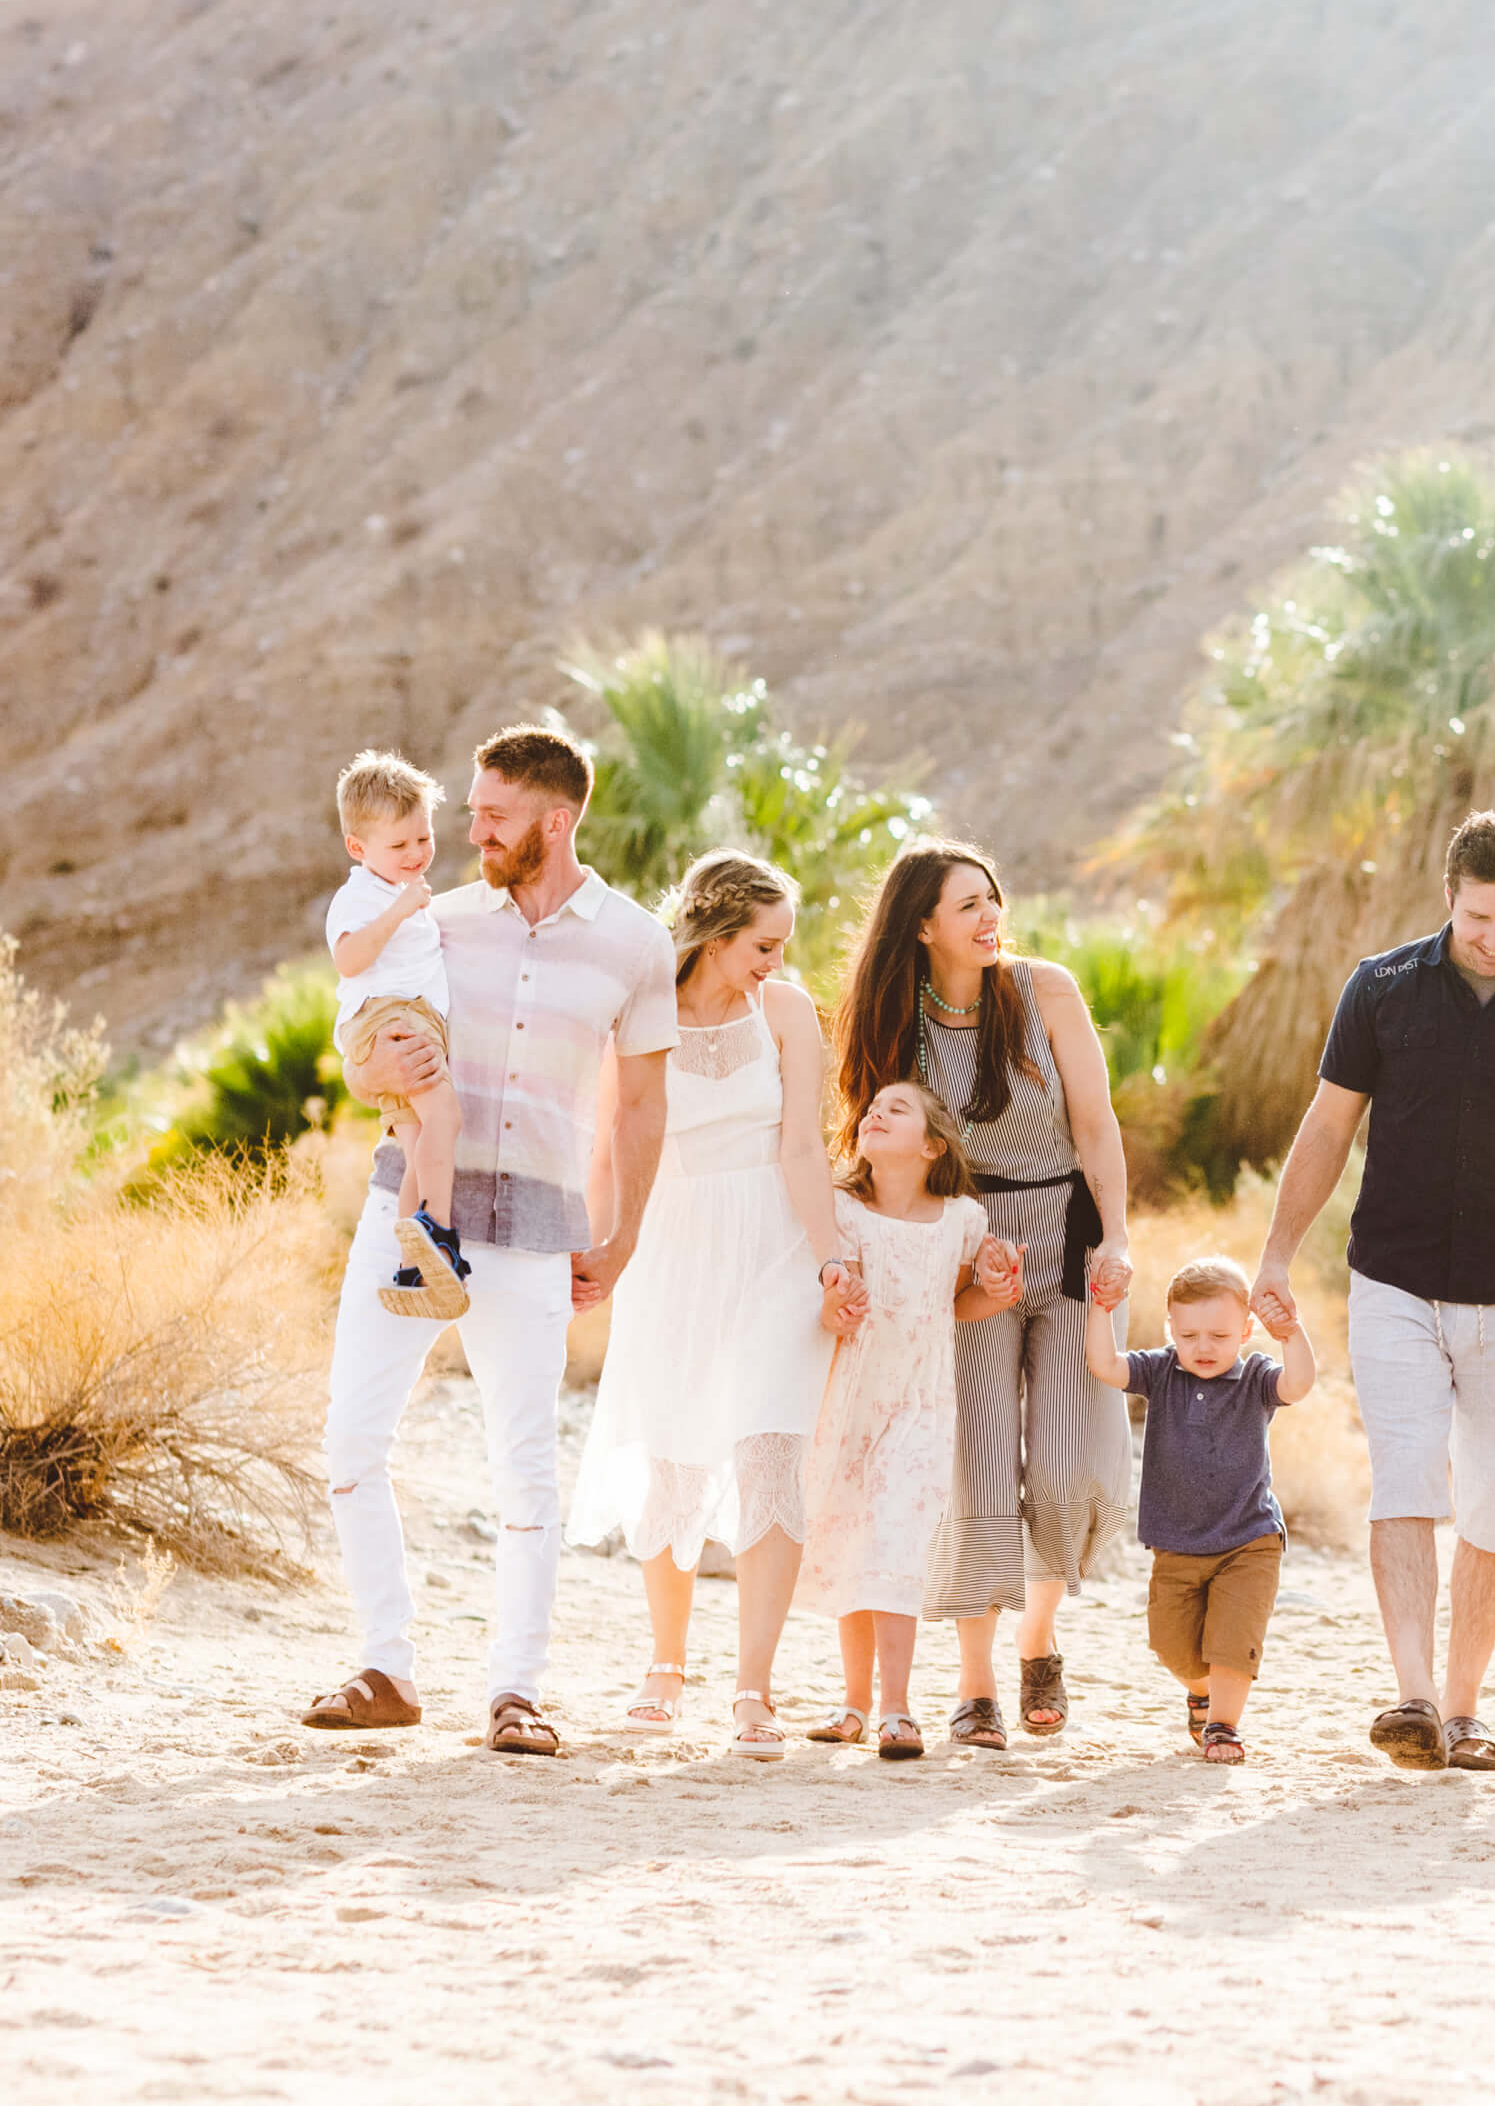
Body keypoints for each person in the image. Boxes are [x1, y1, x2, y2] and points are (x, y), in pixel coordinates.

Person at [299, 725, 675, 1759]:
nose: (471, 830)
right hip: (411, 1208)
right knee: (351, 1445)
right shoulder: (431, 921)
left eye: (494, 814)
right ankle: (386, 1665)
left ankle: (516, 1689)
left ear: (556, 821)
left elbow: (641, 1104)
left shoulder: (636, 941)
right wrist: (377, 1069)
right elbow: (361, 1041)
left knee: (525, 1468)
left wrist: (625, 1233)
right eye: (468, 811)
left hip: (541, 1229)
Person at [1251, 807, 1495, 1773]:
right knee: (1407, 1473)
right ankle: (1411, 1696)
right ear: (1448, 897)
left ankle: (1464, 1709)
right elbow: (1329, 1127)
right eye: (1479, 919)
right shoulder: (1380, 989)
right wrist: (1277, 1254)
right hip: (1394, 1280)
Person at [831, 839, 1134, 1750]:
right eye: (967, 906)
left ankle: (1039, 1638)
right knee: (975, 1470)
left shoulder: (1046, 992)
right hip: (961, 1247)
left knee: (1073, 1468)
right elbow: (872, 1145)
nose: (990, 916)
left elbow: (1096, 1124)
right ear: (922, 926)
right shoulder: (896, 1023)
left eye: (992, 898)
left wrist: (1118, 1236)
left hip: (1070, 1234)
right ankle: (976, 1686)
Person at [566, 851, 858, 1760]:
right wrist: (607, 1248)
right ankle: (666, 1667)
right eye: (764, 943)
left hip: (774, 1246)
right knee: (674, 1454)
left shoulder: (787, 1013)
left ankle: (753, 1689)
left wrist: (831, 1263)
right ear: (718, 931)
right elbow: (610, 1142)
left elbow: (802, 1151)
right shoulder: (640, 1008)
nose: (777, 959)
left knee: (772, 1451)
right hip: (672, 1245)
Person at [796, 1081, 1024, 1760]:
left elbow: (960, 1304)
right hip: (852, 1395)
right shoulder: (843, 1211)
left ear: (931, 1145)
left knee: (895, 1538)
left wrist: (996, 1289)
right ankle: (853, 1704)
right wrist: (838, 1305)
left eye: (895, 1110)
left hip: (923, 1400)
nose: (873, 1115)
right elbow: (833, 1304)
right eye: (869, 1111)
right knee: (853, 1539)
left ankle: (897, 1707)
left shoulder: (959, 1219)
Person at [1081, 1255, 1317, 1765]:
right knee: (1172, 1647)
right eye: (1188, 1336)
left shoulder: (1256, 1376)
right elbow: (1105, 1365)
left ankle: (1223, 1727)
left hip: (1249, 1538)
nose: (1203, 1348)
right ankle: (1202, 1691)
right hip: (1177, 1541)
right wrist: (1101, 1308)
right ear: (1171, 1329)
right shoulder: (1162, 1372)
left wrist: (1291, 1332)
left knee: (1233, 1643)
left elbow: (1298, 1385)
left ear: (1246, 1330)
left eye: (1218, 1335)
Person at [322, 750, 470, 1321]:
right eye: (400, 846)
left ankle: (414, 1270)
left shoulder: (401, 889)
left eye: (423, 840)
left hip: (407, 1016)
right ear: (358, 849)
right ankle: (440, 1233)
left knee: (416, 1149)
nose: (416, 855)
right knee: (447, 1119)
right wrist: (401, 911)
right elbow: (351, 960)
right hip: (392, 1018)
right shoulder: (361, 897)